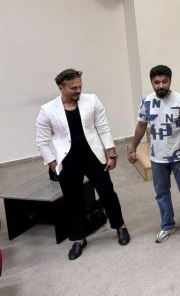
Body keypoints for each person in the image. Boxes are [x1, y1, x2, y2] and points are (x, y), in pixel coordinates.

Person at [36, 69, 130, 260]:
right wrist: (53, 164)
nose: (78, 90)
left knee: (107, 193)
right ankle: (78, 238)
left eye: (80, 86)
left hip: (94, 156)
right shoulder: (47, 110)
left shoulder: (92, 100)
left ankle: (120, 226)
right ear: (61, 87)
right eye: (73, 88)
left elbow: (103, 127)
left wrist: (111, 154)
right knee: (72, 200)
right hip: (68, 161)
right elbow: (42, 141)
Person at [127, 65, 180, 244]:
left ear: (170, 81)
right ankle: (167, 225)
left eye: (164, 81)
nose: (161, 85)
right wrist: (133, 148)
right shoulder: (146, 102)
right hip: (157, 158)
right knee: (161, 194)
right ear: (151, 83)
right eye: (156, 82)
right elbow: (141, 125)